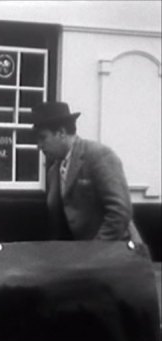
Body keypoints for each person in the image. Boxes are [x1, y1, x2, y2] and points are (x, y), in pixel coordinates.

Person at [31, 101, 148, 254]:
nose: (38, 145)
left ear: (61, 132)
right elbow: (59, 223)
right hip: (84, 259)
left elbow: (120, 211)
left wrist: (93, 252)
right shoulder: (54, 171)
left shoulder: (98, 155)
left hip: (120, 255)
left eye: (42, 138)